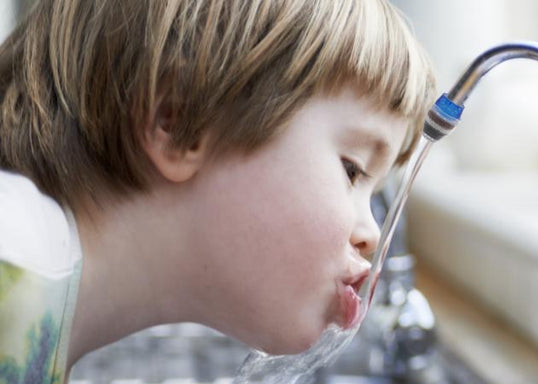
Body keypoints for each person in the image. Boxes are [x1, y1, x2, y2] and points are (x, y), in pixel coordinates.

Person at [0, 0, 435, 382]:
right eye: (352, 170)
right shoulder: (15, 256)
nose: (373, 235)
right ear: (178, 122)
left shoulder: (42, 297)